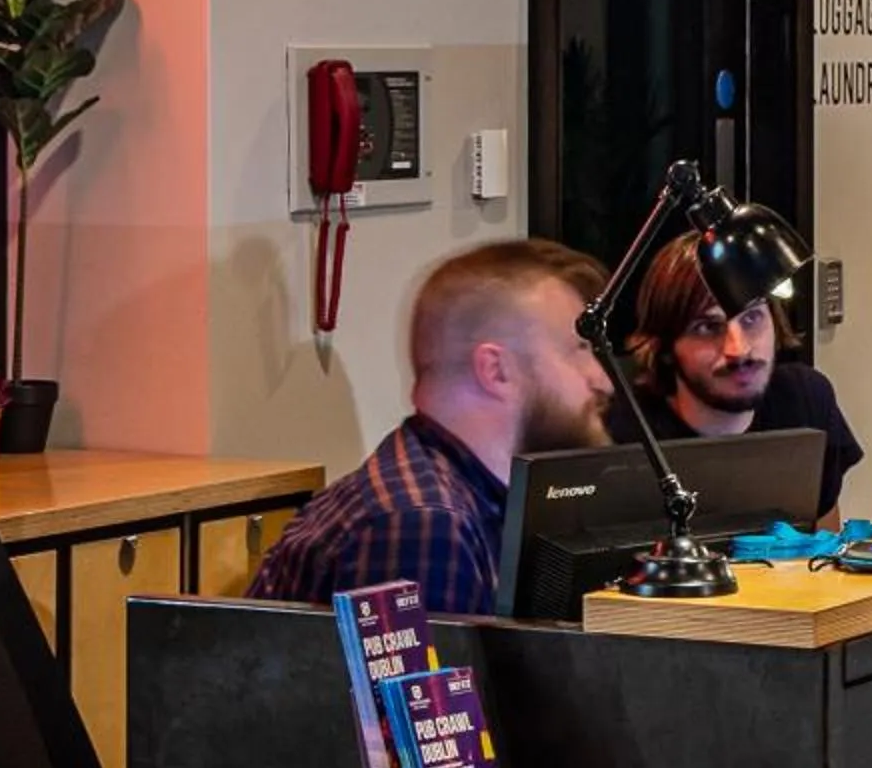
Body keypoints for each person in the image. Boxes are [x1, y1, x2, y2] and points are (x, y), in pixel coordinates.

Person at [253, 238, 612, 616]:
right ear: (496, 371)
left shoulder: (465, 499)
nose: (603, 380)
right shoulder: (420, 524)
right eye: (579, 349)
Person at [605, 234, 861, 526]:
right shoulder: (621, 430)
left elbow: (824, 542)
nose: (738, 349)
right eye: (707, 327)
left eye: (751, 318)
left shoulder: (806, 399)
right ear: (665, 347)